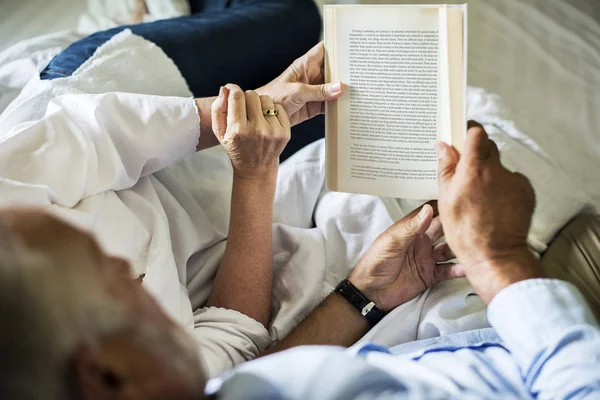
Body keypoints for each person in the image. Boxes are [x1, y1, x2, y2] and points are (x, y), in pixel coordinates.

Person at [1, 122, 599, 399]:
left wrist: (364, 294)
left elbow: (240, 380)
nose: (136, 272)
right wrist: (502, 257)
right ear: (106, 376)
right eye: (118, 279)